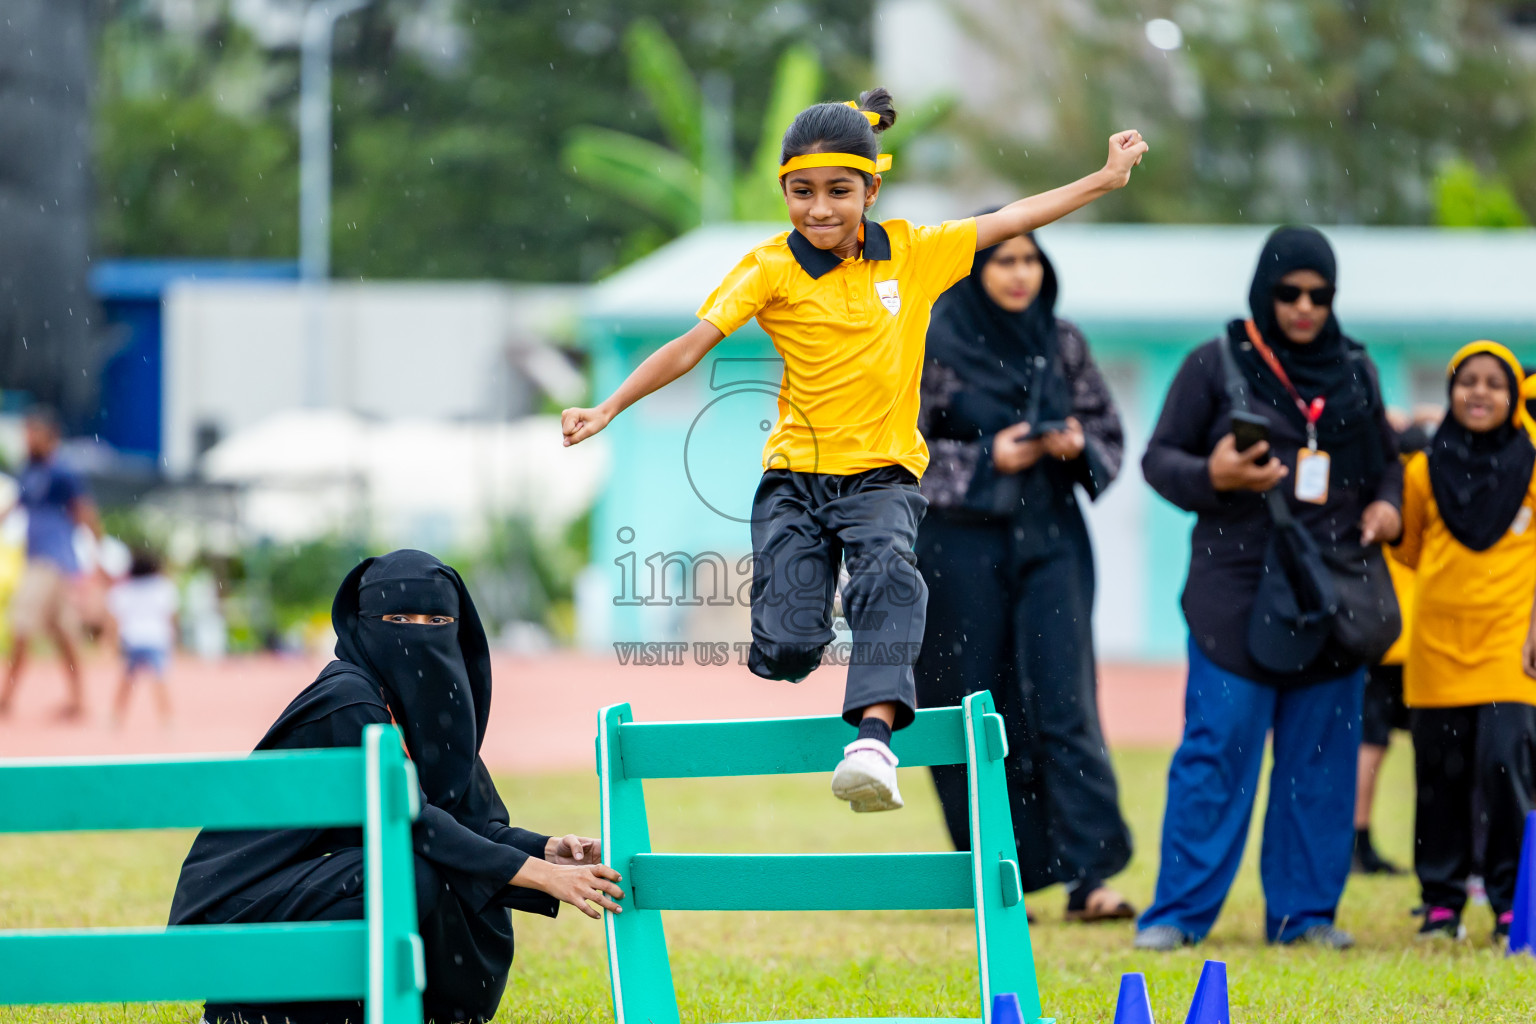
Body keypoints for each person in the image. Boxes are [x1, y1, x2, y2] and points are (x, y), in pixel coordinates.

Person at [561, 88, 1148, 812]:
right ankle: (807, 622)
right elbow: (689, 346)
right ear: (783, 191)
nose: (819, 209)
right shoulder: (769, 268)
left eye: (839, 191)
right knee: (787, 649)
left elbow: (1014, 218)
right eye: (801, 192)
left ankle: (872, 740)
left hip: (882, 480)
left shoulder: (916, 252)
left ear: (871, 189)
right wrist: (609, 405)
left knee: (895, 581)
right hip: (794, 483)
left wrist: (1103, 178)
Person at [168, 550, 624, 1024]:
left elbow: (462, 825)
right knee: (409, 870)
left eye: (437, 619)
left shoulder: (426, 715)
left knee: (437, 870)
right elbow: (414, 824)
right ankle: (249, 1012)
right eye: (399, 617)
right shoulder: (347, 699)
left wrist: (547, 850)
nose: (419, 633)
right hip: (232, 914)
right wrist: (537, 874)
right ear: (364, 623)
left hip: (309, 889)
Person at [1135, 226, 1402, 951]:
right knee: (1216, 751)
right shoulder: (1214, 365)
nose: (1305, 308)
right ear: (1265, 290)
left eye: (1320, 295)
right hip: (1235, 594)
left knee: (1321, 765)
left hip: (1333, 594)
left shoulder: (1356, 371)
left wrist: (1389, 507)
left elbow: (1386, 462)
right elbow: (1158, 461)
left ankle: (1304, 917)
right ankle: (1177, 917)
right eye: (1290, 293)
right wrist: (1213, 477)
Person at [914, 228, 1134, 921]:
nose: (1019, 274)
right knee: (971, 705)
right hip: (959, 550)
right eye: (1003, 260)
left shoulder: (1060, 340)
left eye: (1030, 260)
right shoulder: (932, 342)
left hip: (1050, 538)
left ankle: (1089, 877)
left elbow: (1110, 433)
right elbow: (899, 449)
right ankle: (995, 874)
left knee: (1064, 700)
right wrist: (986, 461)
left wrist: (1073, 444)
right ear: (975, 269)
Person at [1392, 342, 1536, 944]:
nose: (1479, 393)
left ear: (1513, 396)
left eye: (1494, 384)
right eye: (1466, 381)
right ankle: (1442, 901)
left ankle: (1510, 901)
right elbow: (1409, 547)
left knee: (1506, 766)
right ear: (1450, 392)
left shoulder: (1534, 465)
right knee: (1439, 777)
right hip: (1437, 643)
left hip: (1511, 642)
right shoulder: (1424, 470)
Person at [0, 406, 102, 720]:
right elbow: (16, 506)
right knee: (64, 634)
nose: (29, 439)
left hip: (52, 560)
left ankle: (6, 698)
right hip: (41, 558)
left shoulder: (62, 472)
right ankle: (79, 700)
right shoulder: (29, 470)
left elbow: (83, 511)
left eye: (35, 433)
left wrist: (99, 555)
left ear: (51, 437)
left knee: (22, 622)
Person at [106, 549, 179, 728]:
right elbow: (171, 616)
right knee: (160, 680)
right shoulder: (163, 586)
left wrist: (112, 643)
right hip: (156, 639)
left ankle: (116, 718)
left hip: (131, 639)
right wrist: (174, 637)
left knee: (126, 681)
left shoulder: (124, 589)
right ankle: (167, 720)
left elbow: (114, 619)